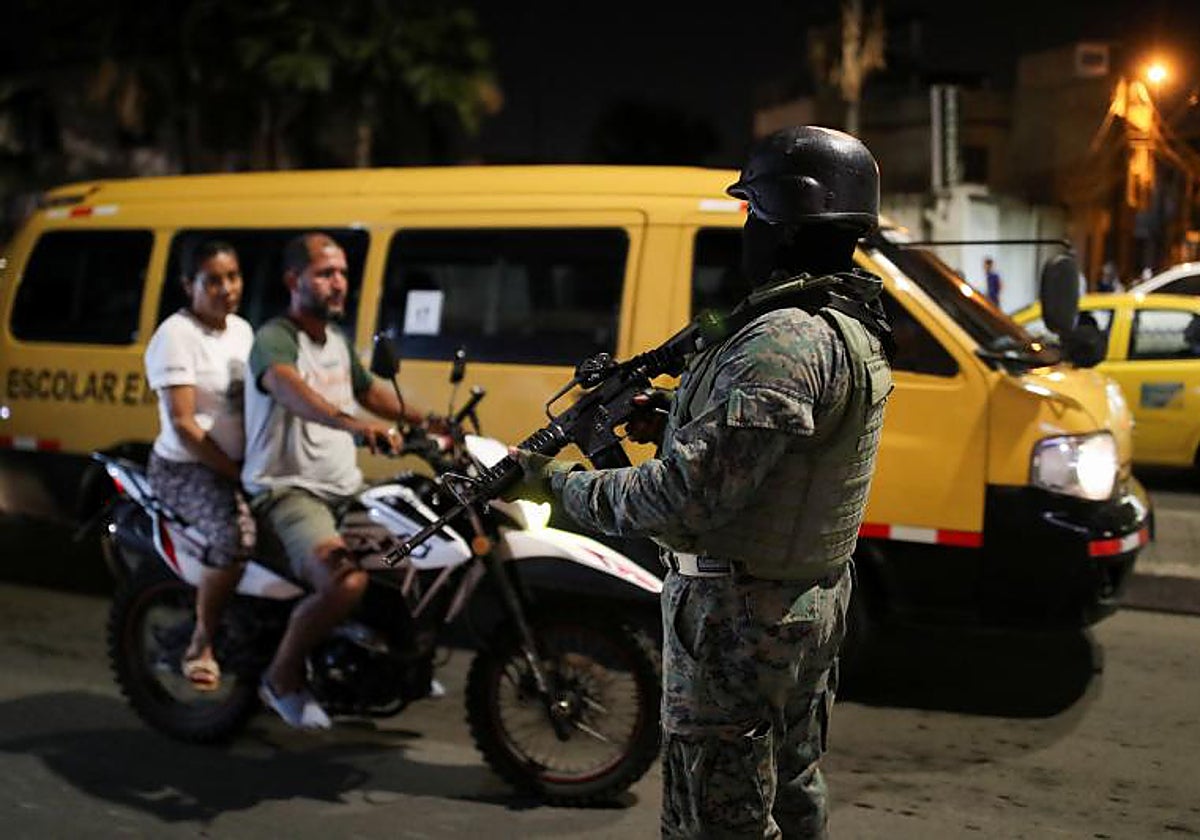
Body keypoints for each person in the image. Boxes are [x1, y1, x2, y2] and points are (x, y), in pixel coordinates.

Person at [509, 125, 893, 837]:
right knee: (790, 789)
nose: (745, 229)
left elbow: (682, 499)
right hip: (803, 602)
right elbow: (774, 457)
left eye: (753, 211)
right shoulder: (845, 322)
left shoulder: (780, 339)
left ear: (783, 221)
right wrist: (675, 421)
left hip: (741, 620)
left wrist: (555, 486)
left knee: (714, 821)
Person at [243, 231, 438, 730]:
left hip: (343, 489)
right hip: (289, 490)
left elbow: (371, 392)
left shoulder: (335, 342)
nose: (338, 283)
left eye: (343, 274)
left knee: (417, 550)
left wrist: (431, 424)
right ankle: (281, 678)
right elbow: (295, 395)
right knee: (344, 579)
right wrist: (355, 427)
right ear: (295, 279)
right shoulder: (274, 339)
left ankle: (391, 663)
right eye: (326, 273)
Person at [144, 241, 255, 692]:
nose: (226, 288)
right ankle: (201, 642)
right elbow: (185, 423)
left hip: (241, 464)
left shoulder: (243, 331)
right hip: (186, 468)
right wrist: (234, 472)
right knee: (233, 537)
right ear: (190, 286)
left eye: (233, 277)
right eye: (213, 280)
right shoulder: (175, 335)